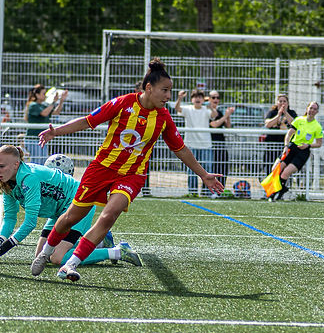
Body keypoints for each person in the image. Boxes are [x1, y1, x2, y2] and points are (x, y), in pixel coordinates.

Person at [30, 58, 224, 282]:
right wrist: (56, 132)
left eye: (170, 91)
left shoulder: (163, 118)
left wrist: (204, 174)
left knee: (109, 215)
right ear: (148, 88)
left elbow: (180, 149)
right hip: (101, 169)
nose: (168, 96)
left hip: (132, 175)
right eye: (165, 90)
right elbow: (88, 121)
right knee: (71, 218)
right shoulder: (123, 103)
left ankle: (71, 264)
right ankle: (45, 253)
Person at [0, 145, 141, 269]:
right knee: (41, 254)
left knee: (57, 258)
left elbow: (30, 222)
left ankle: (118, 251)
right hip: (59, 212)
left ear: (16, 164)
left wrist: (4, 248)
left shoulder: (29, 178)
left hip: (78, 203)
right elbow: (9, 217)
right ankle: (100, 241)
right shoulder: (9, 181)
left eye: (1, 166)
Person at [268, 101, 324, 201]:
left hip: (303, 152)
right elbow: (289, 134)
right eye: (311, 108)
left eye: (315, 109)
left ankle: (275, 194)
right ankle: (282, 189)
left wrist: (308, 145)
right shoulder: (299, 120)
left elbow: (319, 144)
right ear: (307, 108)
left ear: (317, 112)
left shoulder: (317, 126)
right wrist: (286, 146)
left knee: (285, 173)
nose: (312, 110)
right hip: (291, 148)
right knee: (275, 169)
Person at [174, 88, 214, 196]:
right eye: (195, 97)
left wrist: (211, 107)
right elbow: (177, 108)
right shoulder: (188, 109)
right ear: (192, 99)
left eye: (200, 97)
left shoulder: (206, 109)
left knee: (207, 169)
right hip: (191, 145)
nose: (198, 99)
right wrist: (179, 98)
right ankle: (193, 193)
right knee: (191, 171)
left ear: (202, 99)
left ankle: (206, 192)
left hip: (205, 145)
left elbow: (214, 115)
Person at [24, 84, 67, 164]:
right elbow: (44, 113)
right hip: (33, 139)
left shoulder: (44, 105)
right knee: (37, 162)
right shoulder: (33, 105)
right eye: (43, 93)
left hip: (42, 139)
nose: (45, 95)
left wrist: (61, 101)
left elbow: (56, 112)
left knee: (43, 161)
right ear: (37, 95)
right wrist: (54, 102)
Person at [262, 94, 297, 175]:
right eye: (280, 101)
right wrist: (278, 115)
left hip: (287, 145)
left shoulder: (292, 113)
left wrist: (285, 112)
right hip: (272, 145)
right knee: (270, 168)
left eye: (284, 101)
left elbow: (295, 123)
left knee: (284, 169)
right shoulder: (272, 112)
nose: (282, 103)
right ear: (277, 103)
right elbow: (268, 124)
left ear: (288, 103)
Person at [208, 90, 234, 195]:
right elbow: (213, 124)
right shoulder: (207, 110)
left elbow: (228, 126)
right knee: (211, 167)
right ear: (209, 99)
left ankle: (220, 190)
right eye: (213, 98)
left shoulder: (219, 111)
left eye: (217, 98)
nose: (216, 100)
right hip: (211, 143)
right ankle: (208, 191)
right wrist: (225, 116)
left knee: (223, 166)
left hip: (221, 142)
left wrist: (228, 115)